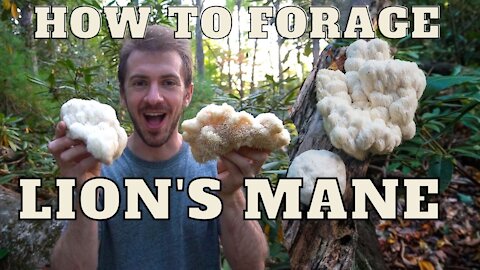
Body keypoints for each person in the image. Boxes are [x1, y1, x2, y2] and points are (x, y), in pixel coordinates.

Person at [48, 25, 269, 269]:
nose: (154, 97)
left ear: (187, 94)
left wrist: (230, 196)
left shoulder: (213, 167)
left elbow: (252, 265)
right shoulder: (98, 169)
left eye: (168, 82)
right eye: (140, 83)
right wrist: (83, 196)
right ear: (123, 94)